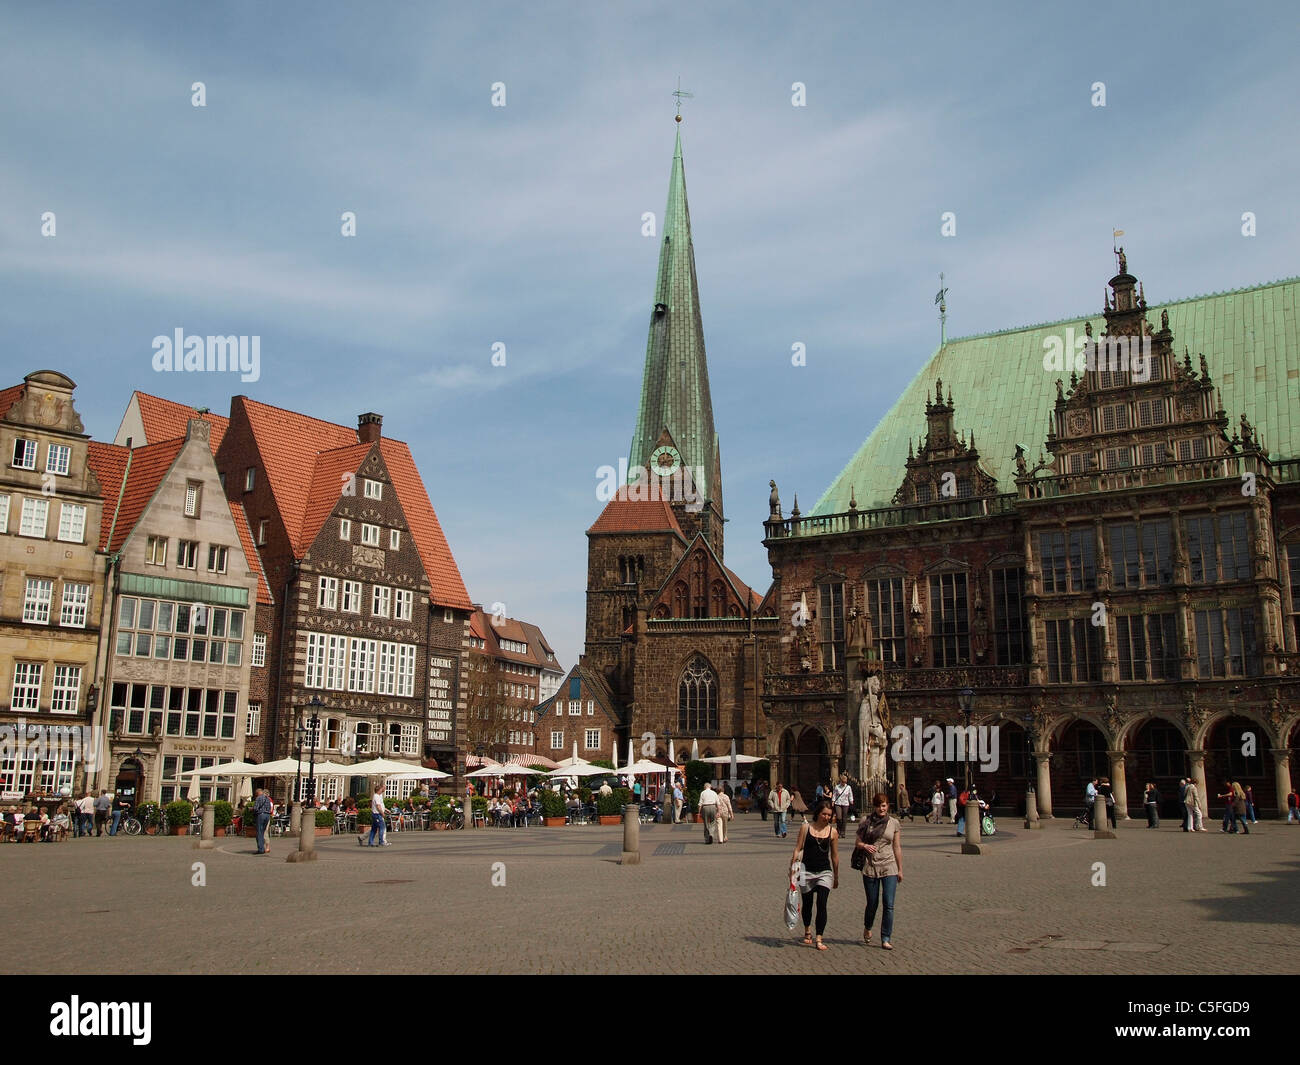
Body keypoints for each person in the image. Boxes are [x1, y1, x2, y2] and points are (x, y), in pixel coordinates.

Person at [791, 797, 839, 951]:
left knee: (822, 903)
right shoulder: (806, 828)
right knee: (807, 903)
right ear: (818, 813)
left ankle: (819, 937)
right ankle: (807, 930)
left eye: (829, 815)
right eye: (824, 814)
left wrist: (836, 876)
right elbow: (798, 848)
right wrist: (792, 868)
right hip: (806, 871)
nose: (826, 817)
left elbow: (835, 856)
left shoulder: (833, 832)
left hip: (825, 872)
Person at [856, 793, 903, 950]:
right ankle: (868, 926)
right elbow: (857, 842)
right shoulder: (866, 821)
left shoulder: (894, 823)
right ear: (874, 807)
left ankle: (886, 937)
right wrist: (865, 846)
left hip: (889, 866)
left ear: (888, 806)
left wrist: (900, 869)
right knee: (872, 903)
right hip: (871, 866)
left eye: (883, 805)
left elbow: (897, 847)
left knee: (889, 904)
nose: (881, 809)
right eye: (878, 806)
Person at [253, 788, 273, 854]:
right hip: (267, 816)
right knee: (263, 831)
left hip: (261, 815)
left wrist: (252, 809)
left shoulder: (258, 798)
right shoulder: (268, 799)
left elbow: (255, 808)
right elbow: (270, 808)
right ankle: (262, 848)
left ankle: (261, 849)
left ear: (257, 793)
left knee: (259, 832)